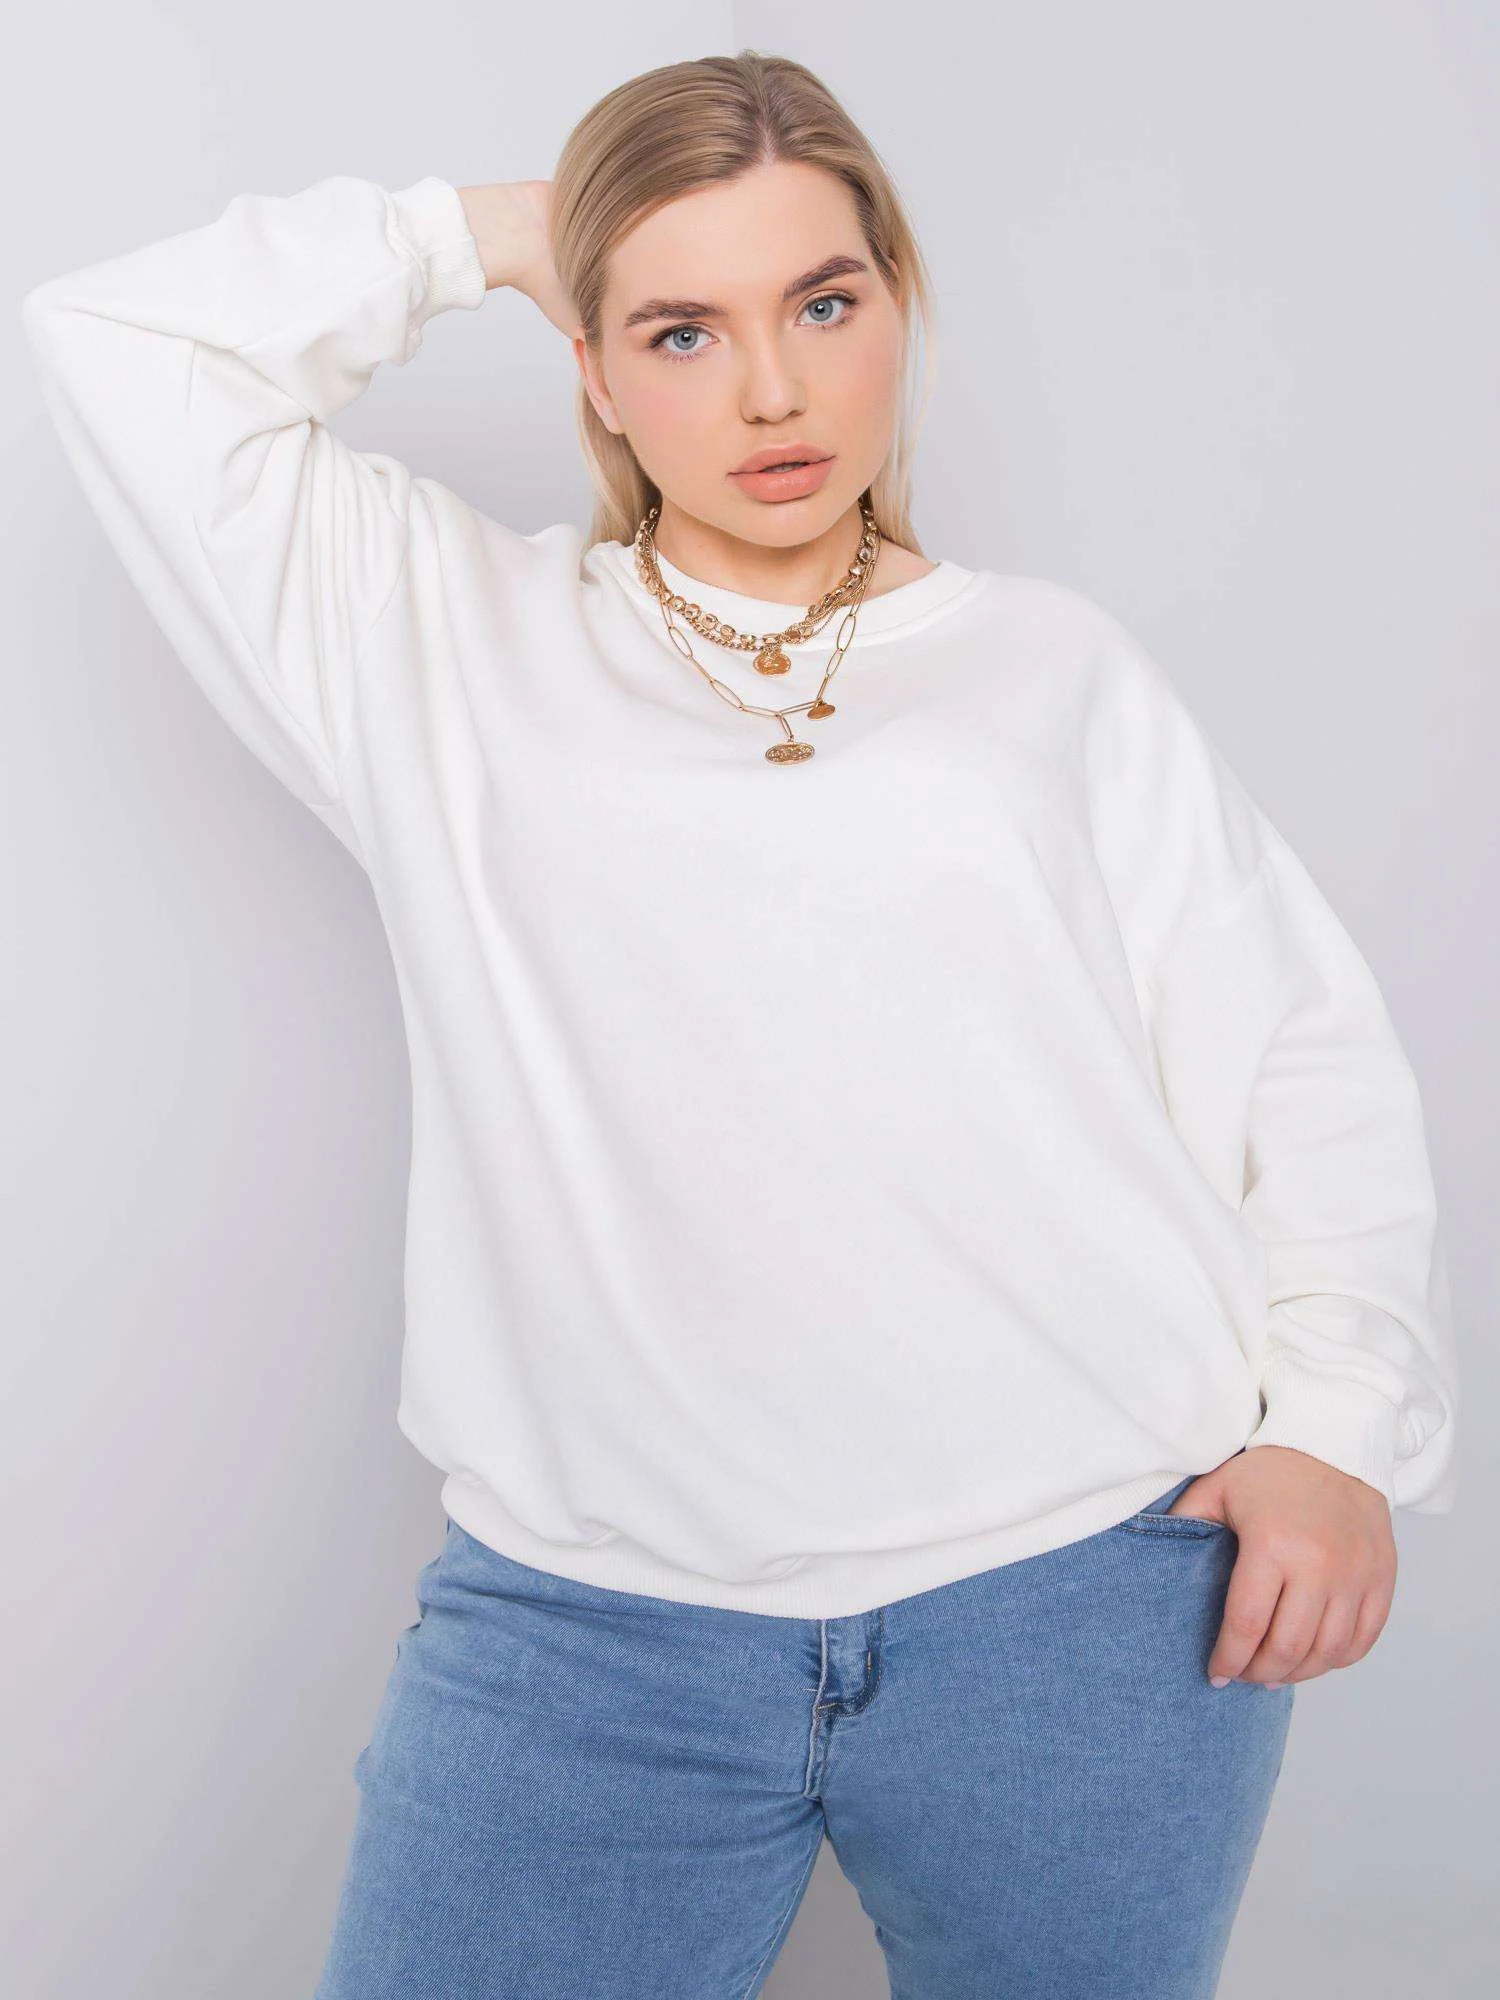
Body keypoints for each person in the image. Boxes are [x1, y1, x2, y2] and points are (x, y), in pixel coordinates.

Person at [22, 46, 1457, 2000]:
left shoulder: (1055, 675)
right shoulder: (436, 640)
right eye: (681, 330)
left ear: (900, 307)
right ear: (594, 370)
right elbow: (115, 341)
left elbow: (1301, 1057)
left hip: (1087, 1599)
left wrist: (1340, 1436)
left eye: (823, 304)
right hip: (589, 1634)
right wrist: (494, 231)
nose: (772, 391)